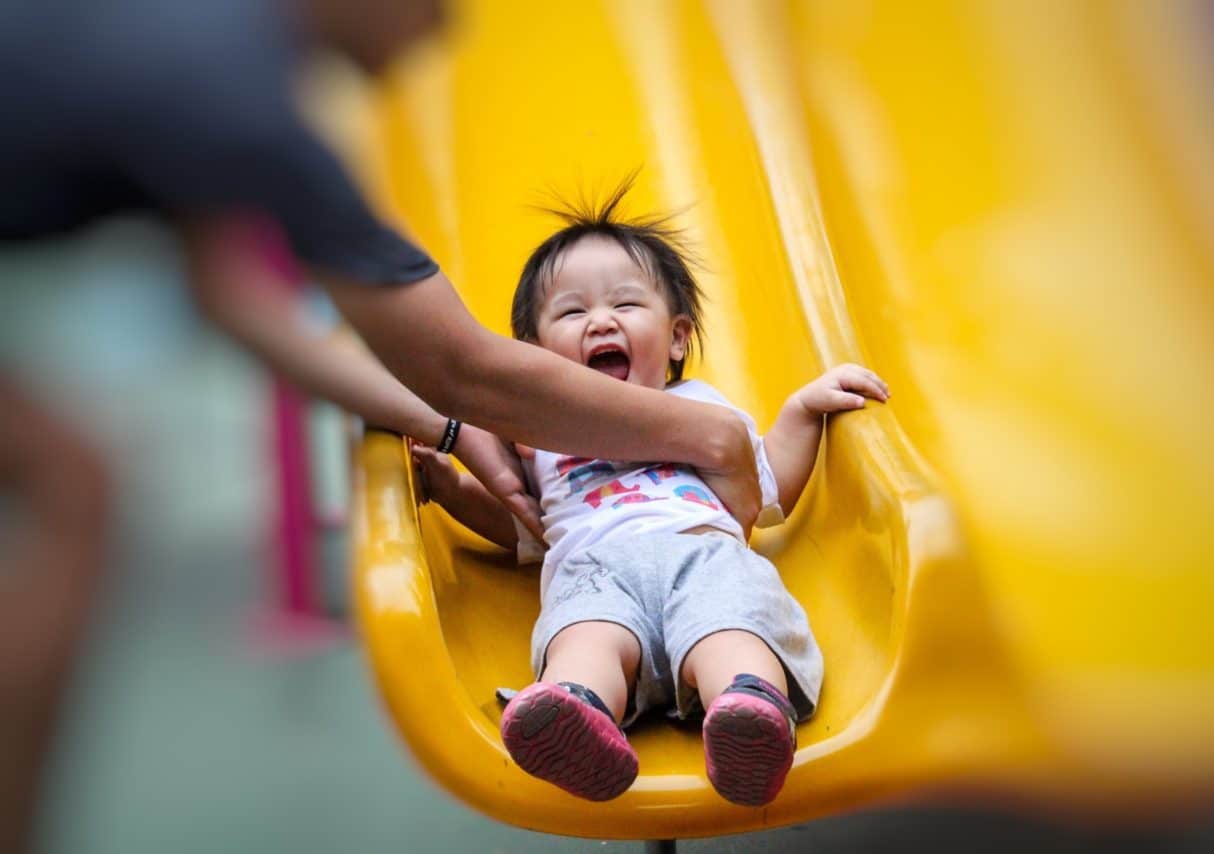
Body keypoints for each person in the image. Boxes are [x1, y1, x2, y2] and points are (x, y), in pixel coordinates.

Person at [0, 3, 761, 849]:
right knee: (75, 493)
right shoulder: (241, 103)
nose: (438, 32)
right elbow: (469, 367)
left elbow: (238, 303)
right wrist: (706, 438)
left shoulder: (200, 46)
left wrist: (446, 428)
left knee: (73, 482)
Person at [413, 184, 890, 807]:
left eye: (626, 303)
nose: (601, 320)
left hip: (702, 555)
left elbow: (768, 490)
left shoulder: (700, 408)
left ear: (676, 338)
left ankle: (745, 711)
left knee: (730, 624)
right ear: (531, 361)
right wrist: (451, 489)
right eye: (572, 312)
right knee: (584, 638)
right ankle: (577, 713)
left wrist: (802, 411)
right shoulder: (538, 441)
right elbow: (522, 527)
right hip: (593, 571)